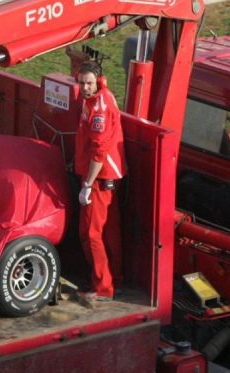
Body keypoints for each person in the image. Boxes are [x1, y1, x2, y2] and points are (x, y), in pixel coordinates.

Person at [73, 61, 125, 302]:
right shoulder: (98, 97)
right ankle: (115, 277)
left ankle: (103, 286)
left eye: (89, 83)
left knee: (92, 233)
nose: (84, 87)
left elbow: (99, 150)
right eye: (81, 83)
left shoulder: (99, 108)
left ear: (99, 81)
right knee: (108, 231)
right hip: (107, 176)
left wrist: (86, 185)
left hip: (99, 177)